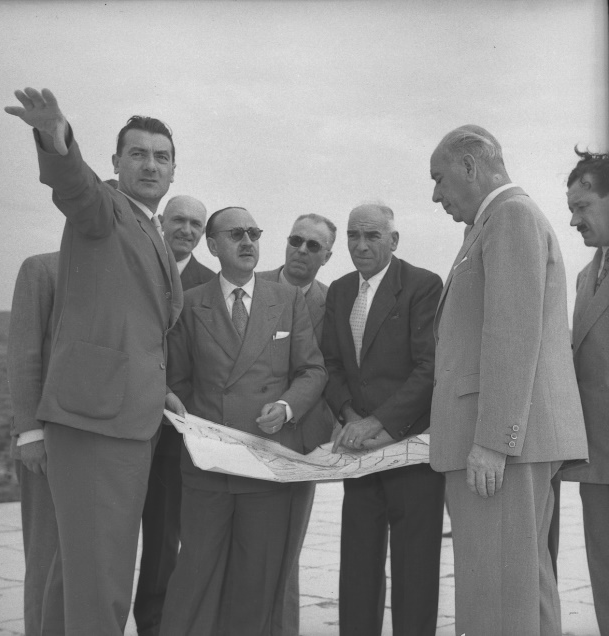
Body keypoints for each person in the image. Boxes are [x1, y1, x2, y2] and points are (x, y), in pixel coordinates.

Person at [4, 88, 185, 635]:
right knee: (102, 582)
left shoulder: (152, 229)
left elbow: (137, 331)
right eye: (138, 154)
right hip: (95, 422)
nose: (150, 165)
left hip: (129, 420)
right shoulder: (106, 209)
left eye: (161, 156)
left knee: (78, 575)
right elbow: (74, 187)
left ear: (173, 170)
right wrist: (56, 139)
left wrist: (160, 391)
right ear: (115, 163)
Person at [429, 125, 588, 635]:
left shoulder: (510, 216)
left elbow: (512, 333)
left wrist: (493, 442)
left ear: (470, 167)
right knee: (520, 590)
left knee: (496, 595)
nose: (436, 195)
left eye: (439, 178)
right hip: (511, 444)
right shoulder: (491, 223)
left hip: (502, 448)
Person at [161, 206, 327, 636]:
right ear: (212, 245)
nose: (248, 241)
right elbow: (177, 379)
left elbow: (312, 370)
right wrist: (190, 420)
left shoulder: (287, 299)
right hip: (208, 465)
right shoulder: (190, 302)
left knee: (257, 580)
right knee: (196, 576)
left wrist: (287, 406)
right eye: (236, 234)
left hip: (265, 463)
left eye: (254, 232)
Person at [321, 203, 445, 636]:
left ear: (393, 240)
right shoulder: (339, 290)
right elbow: (331, 364)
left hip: (410, 451)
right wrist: (350, 417)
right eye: (353, 235)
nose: (360, 245)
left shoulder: (423, 285)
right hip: (360, 452)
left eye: (372, 236)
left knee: (415, 569)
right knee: (357, 566)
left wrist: (379, 424)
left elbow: (429, 367)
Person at [134, 195, 214, 636]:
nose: (186, 230)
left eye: (196, 224)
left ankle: (155, 625)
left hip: (176, 432)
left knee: (165, 538)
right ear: (162, 221)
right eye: (179, 220)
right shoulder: (134, 266)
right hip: (124, 421)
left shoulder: (210, 285)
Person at [258, 213, 338, 636]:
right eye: (296, 240)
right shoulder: (251, 286)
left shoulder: (334, 304)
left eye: (313, 245)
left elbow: (332, 370)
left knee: (285, 553)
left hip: (298, 441)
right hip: (241, 434)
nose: (301, 250)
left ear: (327, 256)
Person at [562, 148, 609, 635]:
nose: (574, 220)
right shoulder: (584, 276)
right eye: (571, 209)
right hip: (597, 461)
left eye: (583, 207)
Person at [7, 251, 60, 636]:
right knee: (46, 559)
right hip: (47, 439)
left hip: (103, 446)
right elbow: (23, 353)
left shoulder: (130, 271)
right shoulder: (42, 268)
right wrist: (29, 432)